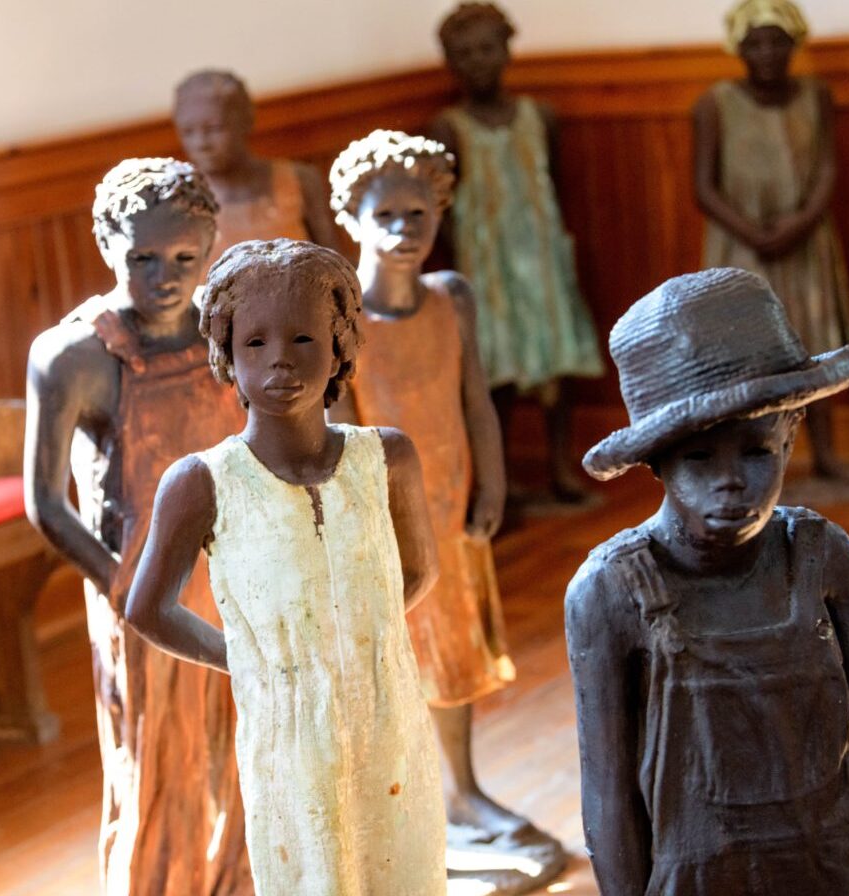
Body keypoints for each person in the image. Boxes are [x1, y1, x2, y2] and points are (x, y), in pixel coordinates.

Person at [566, 267, 849, 896]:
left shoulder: (821, 557)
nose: (730, 483)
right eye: (699, 458)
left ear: (791, 437)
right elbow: (608, 794)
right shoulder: (611, 591)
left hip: (837, 868)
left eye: (755, 451)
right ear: (656, 460)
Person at [126, 239, 448, 895]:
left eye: (304, 339)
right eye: (254, 344)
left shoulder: (386, 459)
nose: (280, 360)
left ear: (340, 346)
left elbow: (417, 572)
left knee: (402, 864)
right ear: (225, 351)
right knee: (314, 869)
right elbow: (147, 607)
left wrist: (358, 645)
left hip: (389, 718)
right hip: (288, 731)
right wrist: (256, 658)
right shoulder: (202, 482)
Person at [327, 129, 565, 890]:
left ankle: (463, 788)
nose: (404, 230)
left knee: (457, 658)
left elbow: (477, 402)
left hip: (454, 508)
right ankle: (417, 805)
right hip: (388, 526)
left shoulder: (450, 297)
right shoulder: (341, 315)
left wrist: (492, 484)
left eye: (420, 214)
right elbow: (342, 431)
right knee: (400, 665)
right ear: (351, 219)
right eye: (387, 214)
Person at [23, 159, 251, 895]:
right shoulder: (75, 357)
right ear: (105, 243)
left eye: (187, 257)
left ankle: (246, 880)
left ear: (212, 242)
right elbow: (46, 502)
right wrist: (126, 586)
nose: (166, 276)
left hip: (243, 572)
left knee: (254, 739)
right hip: (143, 587)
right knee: (159, 760)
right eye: (142, 258)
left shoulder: (231, 328)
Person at [694, 0, 849, 499]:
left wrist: (800, 221)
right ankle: (748, 463)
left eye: (778, 41)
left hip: (806, 243)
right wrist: (752, 232)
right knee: (746, 353)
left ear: (795, 44)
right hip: (742, 250)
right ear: (738, 48)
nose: (768, 53)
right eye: (755, 43)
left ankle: (827, 456)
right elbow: (704, 187)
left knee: (811, 344)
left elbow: (826, 169)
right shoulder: (715, 104)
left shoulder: (816, 97)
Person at [429, 2, 604, 504]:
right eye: (464, 54)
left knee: (557, 362)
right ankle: (500, 474)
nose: (478, 62)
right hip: (488, 268)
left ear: (507, 50)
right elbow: (440, 209)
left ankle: (561, 465)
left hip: (542, 259)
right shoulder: (448, 128)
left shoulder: (538, 117)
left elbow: (556, 186)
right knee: (496, 373)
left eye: (487, 49)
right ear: (450, 62)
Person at [173, 70, 342, 268]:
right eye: (188, 132)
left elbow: (335, 264)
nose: (201, 144)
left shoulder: (298, 180)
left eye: (214, 128)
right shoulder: (179, 202)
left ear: (245, 121)